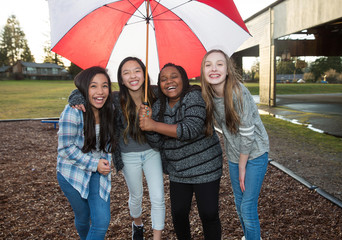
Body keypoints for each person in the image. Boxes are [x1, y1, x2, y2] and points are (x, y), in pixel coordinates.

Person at [68, 57, 165, 240]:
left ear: (144, 74)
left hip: (152, 153)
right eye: (126, 73)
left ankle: (156, 237)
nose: (132, 76)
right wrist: (76, 97)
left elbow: (178, 90)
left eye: (137, 71)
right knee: (136, 196)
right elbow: (83, 92)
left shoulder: (155, 95)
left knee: (158, 197)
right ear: (121, 79)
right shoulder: (114, 98)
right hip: (128, 155)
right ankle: (137, 225)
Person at [139, 63, 223, 240]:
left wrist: (154, 125)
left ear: (183, 79)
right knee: (178, 214)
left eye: (174, 76)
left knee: (208, 213)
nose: (169, 81)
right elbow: (156, 142)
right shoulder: (158, 106)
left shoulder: (194, 96)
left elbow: (189, 130)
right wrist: (147, 124)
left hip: (205, 167)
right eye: (163, 79)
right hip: (178, 171)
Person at [200, 49, 269, 240]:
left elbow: (248, 133)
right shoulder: (209, 96)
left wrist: (242, 166)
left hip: (254, 153)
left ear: (228, 69)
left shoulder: (238, 92)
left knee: (247, 207)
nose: (214, 68)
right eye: (208, 64)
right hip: (234, 155)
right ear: (203, 71)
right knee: (239, 205)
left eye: (219, 64)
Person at [57, 66, 116, 240]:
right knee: (83, 217)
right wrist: (94, 164)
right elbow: (65, 149)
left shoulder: (110, 108)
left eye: (105, 86)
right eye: (93, 86)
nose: (100, 91)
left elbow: (133, 93)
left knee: (101, 221)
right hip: (72, 173)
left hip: (99, 172)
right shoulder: (73, 111)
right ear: (84, 88)